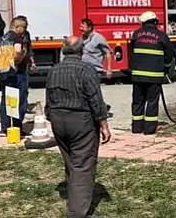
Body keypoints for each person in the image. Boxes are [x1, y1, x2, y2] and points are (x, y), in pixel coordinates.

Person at [45, 36, 111, 218]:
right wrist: (104, 124)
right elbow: (95, 100)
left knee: (71, 161)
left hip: (58, 120)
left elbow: (48, 99)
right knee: (82, 164)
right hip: (81, 121)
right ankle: (77, 213)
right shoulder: (86, 70)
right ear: (81, 51)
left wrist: (51, 117)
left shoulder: (53, 71)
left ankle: (74, 199)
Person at [128, 11, 174, 135]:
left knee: (138, 101)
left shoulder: (136, 34)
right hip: (154, 77)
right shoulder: (162, 36)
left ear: (142, 22)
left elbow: (131, 53)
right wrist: (165, 67)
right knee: (152, 102)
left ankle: (136, 128)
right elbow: (169, 56)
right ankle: (149, 129)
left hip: (137, 76)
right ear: (155, 22)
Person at [0, 17, 29, 137]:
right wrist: (20, 58)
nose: (24, 30)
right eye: (23, 27)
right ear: (17, 27)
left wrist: (0, 68)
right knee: (20, 100)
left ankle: (5, 129)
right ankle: (17, 128)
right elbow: (17, 52)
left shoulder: (2, 39)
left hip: (3, 72)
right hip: (16, 73)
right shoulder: (17, 38)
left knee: (5, 100)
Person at [14, 15, 37, 115]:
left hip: (25, 63)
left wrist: (32, 62)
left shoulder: (26, 34)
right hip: (16, 65)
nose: (26, 26)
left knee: (25, 86)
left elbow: (29, 48)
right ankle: (17, 107)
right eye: (25, 25)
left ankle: (24, 105)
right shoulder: (14, 36)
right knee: (17, 87)